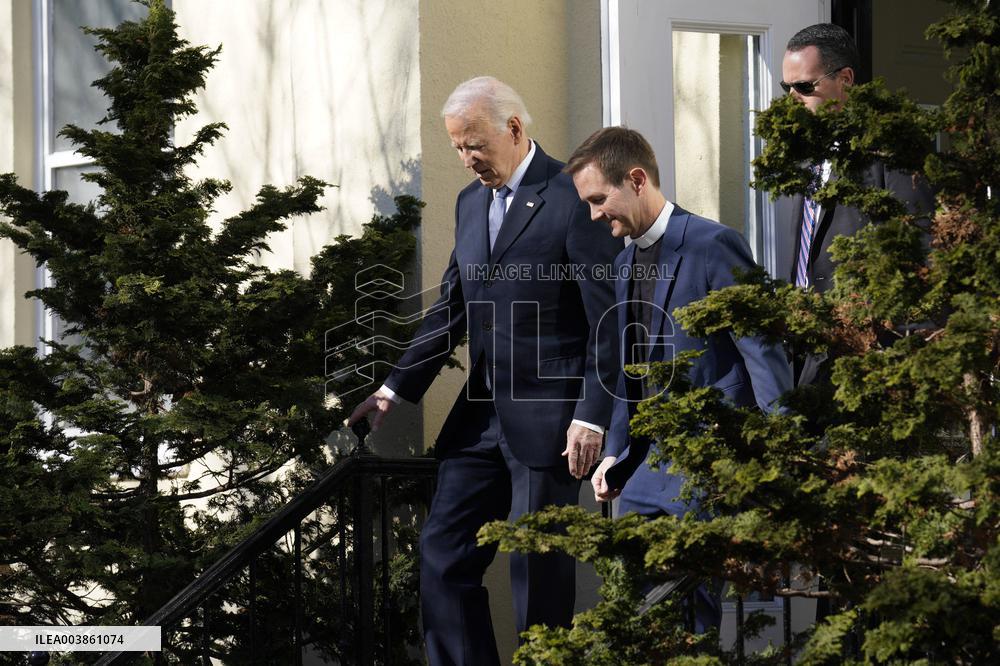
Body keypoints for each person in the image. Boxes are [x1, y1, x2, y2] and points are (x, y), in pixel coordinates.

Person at [347, 76, 622, 665]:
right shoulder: (471, 202)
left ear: (515, 129)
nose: (468, 159)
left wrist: (592, 418)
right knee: (443, 555)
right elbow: (452, 306)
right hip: (480, 419)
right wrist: (396, 387)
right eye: (457, 148)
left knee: (538, 571)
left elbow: (610, 322)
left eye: (475, 144)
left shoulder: (573, 196)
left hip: (553, 421)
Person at [564, 126, 792, 631]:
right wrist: (614, 454)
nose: (595, 214)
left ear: (638, 179)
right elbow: (632, 372)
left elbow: (764, 352)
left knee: (697, 616)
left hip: (705, 466)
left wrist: (781, 455)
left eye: (600, 199)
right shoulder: (623, 262)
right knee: (647, 617)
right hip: (643, 473)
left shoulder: (713, 244)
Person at [776, 23, 936, 297]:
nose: (794, 99)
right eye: (787, 88)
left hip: (866, 329)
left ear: (845, 79)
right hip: (807, 328)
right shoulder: (802, 155)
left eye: (803, 86)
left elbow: (920, 251)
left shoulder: (889, 151)